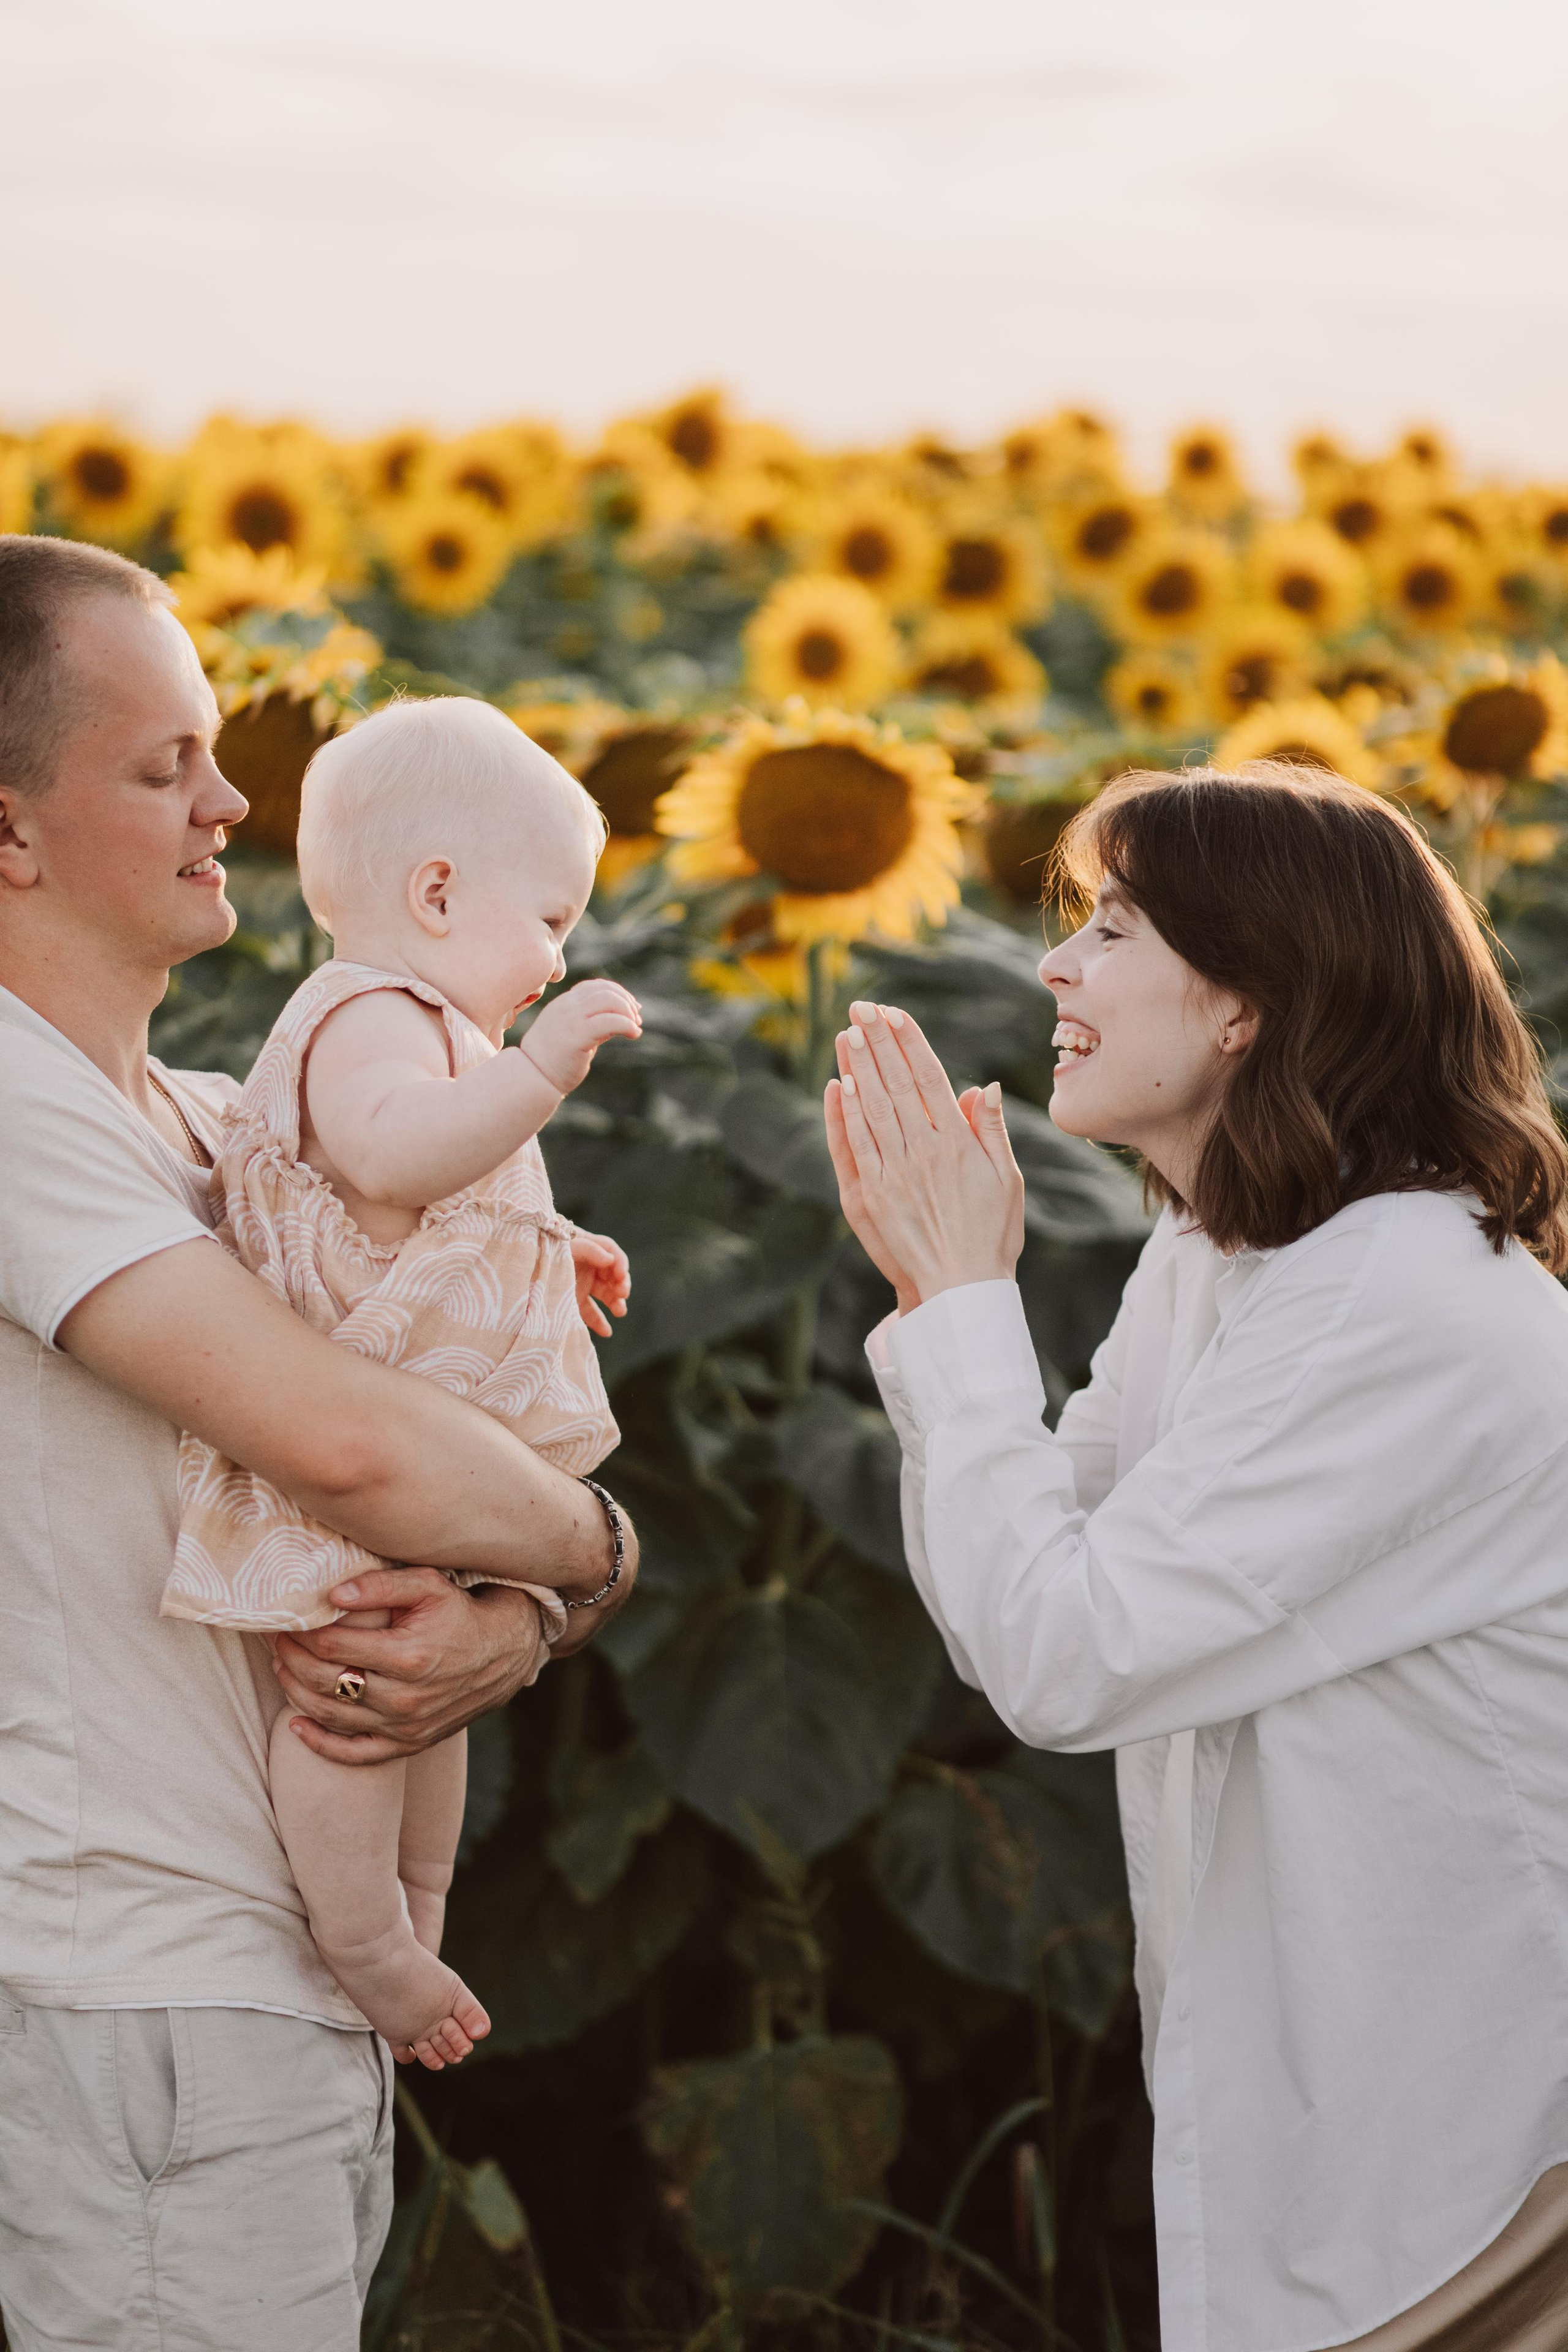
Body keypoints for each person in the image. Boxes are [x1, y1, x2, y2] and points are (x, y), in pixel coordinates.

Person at [823, 761, 1568, 2352]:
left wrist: (963, 1300)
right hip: (1357, 2139)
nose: (1056, 967)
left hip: (1485, 2177)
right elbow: (1017, 1589)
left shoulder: (1398, 1307)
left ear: (1247, 1000)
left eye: (1113, 924)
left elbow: (1058, 1653)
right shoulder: (1232, 1254)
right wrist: (946, 1295)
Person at [0, 535, 637, 2352]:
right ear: (8, 830)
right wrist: (589, 1559)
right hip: (138, 1997)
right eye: (163, 764)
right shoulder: (12, 1104)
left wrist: (519, 1615)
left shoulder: (215, 1124)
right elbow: (357, 1453)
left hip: (246, 1994)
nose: (232, 797)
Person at [166, 697, 640, 2070]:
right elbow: (389, 1161)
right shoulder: (370, 1014)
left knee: (426, 1706)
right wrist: (543, 1075)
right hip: (344, 1461)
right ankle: (365, 1939)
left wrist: (553, 1247)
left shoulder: (443, 1033)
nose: (558, 957)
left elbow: (449, 1200)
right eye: (550, 918)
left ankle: (415, 1916)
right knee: (347, 1709)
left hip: (424, 1483)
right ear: (436, 892)